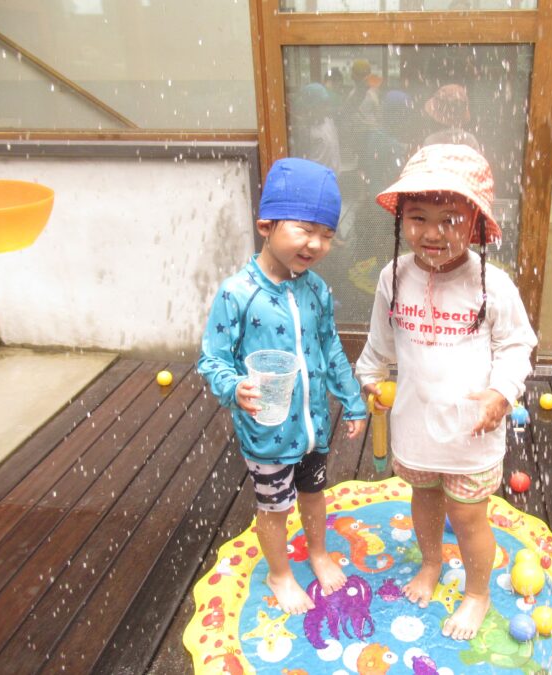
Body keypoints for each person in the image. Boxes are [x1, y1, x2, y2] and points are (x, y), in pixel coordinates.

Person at [356, 144, 536, 640]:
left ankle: (477, 593)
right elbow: (380, 342)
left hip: (471, 430)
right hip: (415, 423)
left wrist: (502, 393)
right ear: (402, 218)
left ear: (475, 223)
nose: (432, 233)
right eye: (418, 218)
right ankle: (432, 562)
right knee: (425, 499)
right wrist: (369, 377)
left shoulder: (491, 284)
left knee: (468, 516)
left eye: (450, 220)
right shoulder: (394, 277)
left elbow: (518, 345)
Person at [197, 158, 367, 614]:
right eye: (305, 229)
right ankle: (279, 573)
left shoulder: (317, 291)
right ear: (266, 225)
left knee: (314, 493)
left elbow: (331, 348)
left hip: (312, 426)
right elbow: (212, 358)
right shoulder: (238, 293)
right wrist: (235, 388)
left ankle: (317, 552)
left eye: (327, 234)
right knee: (274, 506)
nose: (316, 244)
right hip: (268, 431)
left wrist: (352, 401)